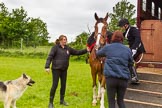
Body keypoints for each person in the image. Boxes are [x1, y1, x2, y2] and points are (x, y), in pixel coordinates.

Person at [45, 35, 89, 108]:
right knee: (54, 85)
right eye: (63, 40)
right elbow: (50, 56)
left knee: (63, 85)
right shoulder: (55, 48)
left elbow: (77, 52)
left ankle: (62, 100)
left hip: (64, 70)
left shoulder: (68, 48)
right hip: (56, 69)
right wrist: (47, 66)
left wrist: (86, 50)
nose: (65, 41)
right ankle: (50, 103)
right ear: (60, 40)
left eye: (65, 39)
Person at [96, 30, 133, 108]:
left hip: (111, 79)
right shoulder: (127, 49)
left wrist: (99, 47)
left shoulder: (108, 47)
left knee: (111, 102)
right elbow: (131, 64)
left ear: (113, 38)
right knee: (120, 101)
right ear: (122, 38)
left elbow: (98, 54)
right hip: (123, 79)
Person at [118, 18, 146, 84]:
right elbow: (120, 35)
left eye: (121, 26)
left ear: (125, 25)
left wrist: (134, 48)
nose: (121, 27)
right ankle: (129, 75)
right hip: (132, 48)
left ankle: (134, 78)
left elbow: (138, 39)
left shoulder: (133, 29)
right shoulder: (127, 30)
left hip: (137, 48)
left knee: (128, 60)